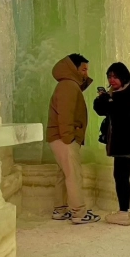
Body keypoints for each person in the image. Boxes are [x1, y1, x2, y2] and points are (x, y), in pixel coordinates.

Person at [46, 54, 100, 224]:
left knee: (64, 174)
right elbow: (65, 114)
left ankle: (60, 209)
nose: (86, 73)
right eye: (83, 69)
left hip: (59, 137)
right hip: (64, 138)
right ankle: (79, 213)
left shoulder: (67, 85)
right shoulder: (69, 86)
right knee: (73, 175)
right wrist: (70, 138)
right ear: (73, 68)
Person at [93, 62, 130, 226]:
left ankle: (124, 212)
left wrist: (108, 100)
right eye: (110, 76)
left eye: (115, 76)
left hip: (127, 144)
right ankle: (124, 211)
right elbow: (101, 110)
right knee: (121, 176)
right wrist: (104, 99)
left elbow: (121, 114)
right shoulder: (116, 93)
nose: (112, 80)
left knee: (121, 176)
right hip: (123, 144)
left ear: (124, 77)